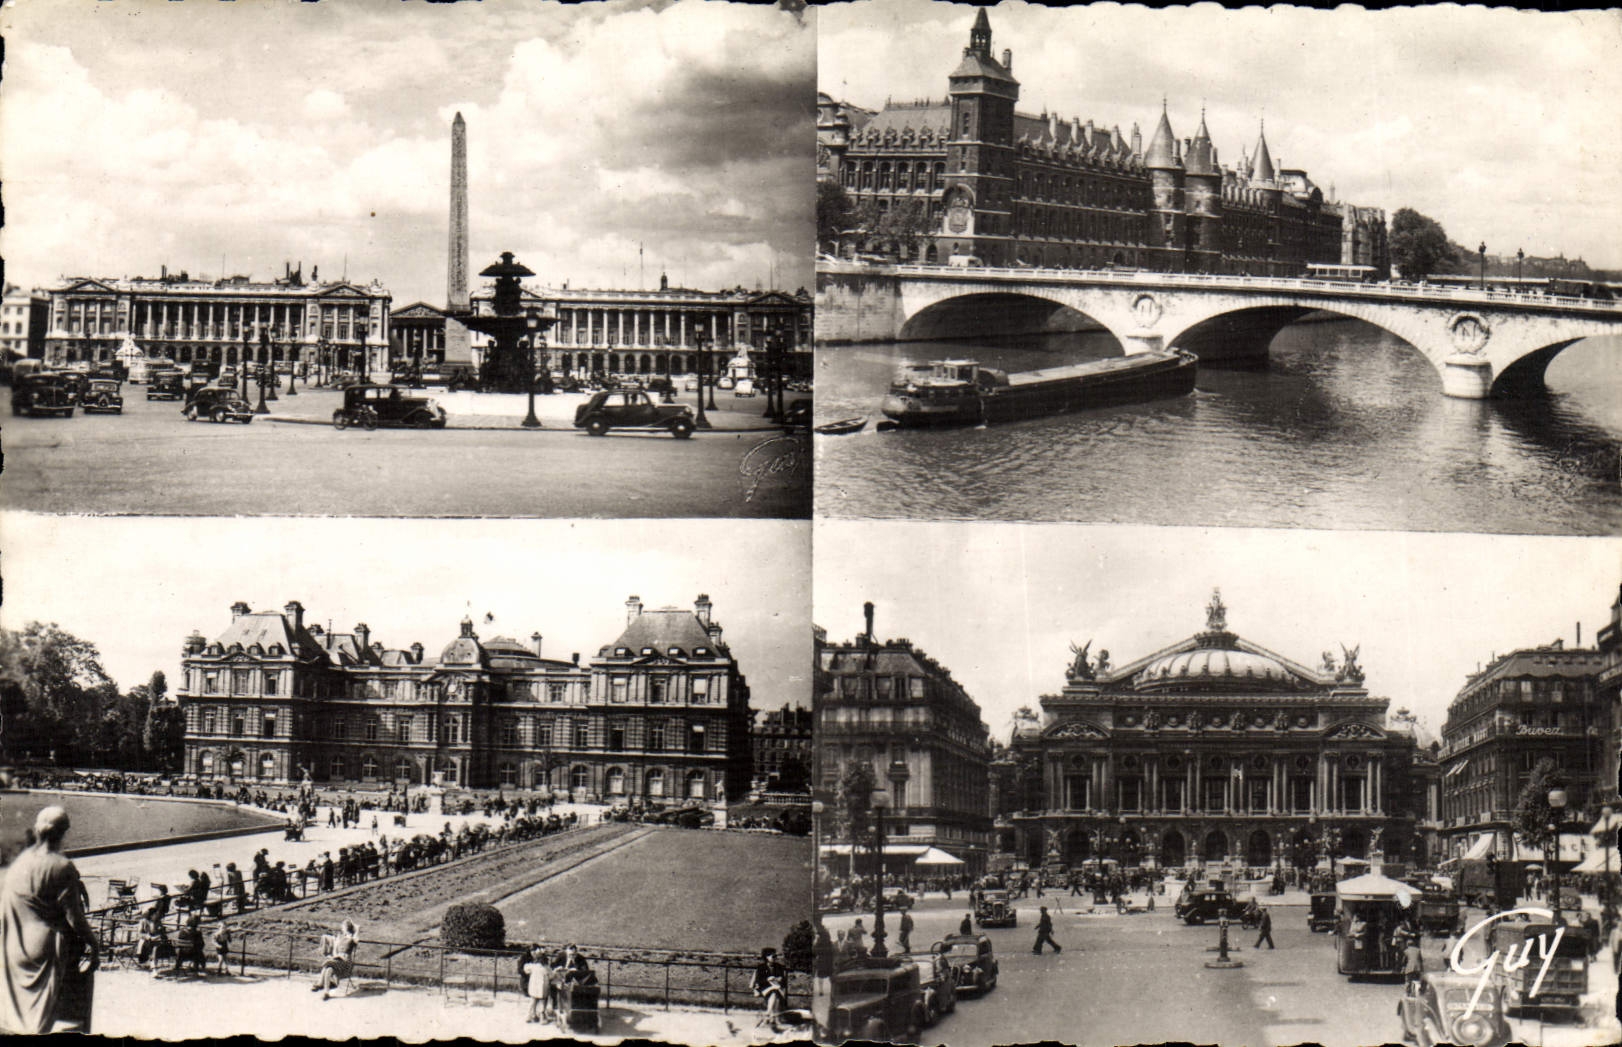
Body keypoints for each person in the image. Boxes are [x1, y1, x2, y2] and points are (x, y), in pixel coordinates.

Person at [1, 806, 99, 1034]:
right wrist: (94, 945)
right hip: (45, 949)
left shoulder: (21, 862)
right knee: (42, 1022)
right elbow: (75, 919)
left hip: (15, 947)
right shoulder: (61, 866)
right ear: (64, 832)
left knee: (19, 1020)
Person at [314, 920, 358, 1000]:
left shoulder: (352, 938)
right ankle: (326, 992)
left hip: (346, 963)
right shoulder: (340, 937)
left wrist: (357, 930)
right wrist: (335, 954)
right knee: (329, 969)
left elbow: (357, 939)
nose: (342, 929)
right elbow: (335, 950)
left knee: (328, 966)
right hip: (338, 960)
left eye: (343, 927)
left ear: (346, 928)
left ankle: (321, 983)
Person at [752, 948, 785, 1032]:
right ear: (766, 957)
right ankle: (773, 1017)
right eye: (772, 956)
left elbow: (783, 980)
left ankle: (769, 1015)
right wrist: (768, 979)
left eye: (775, 956)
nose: (774, 958)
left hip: (775, 988)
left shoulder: (779, 967)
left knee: (775, 994)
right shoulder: (761, 967)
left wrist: (778, 979)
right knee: (775, 994)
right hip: (764, 987)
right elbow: (759, 981)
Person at [519, 944, 551, 1024]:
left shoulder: (532, 966)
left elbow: (526, 969)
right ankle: (542, 1017)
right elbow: (552, 975)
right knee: (543, 1001)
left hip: (533, 987)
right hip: (543, 988)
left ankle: (529, 1016)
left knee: (533, 1001)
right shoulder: (546, 968)